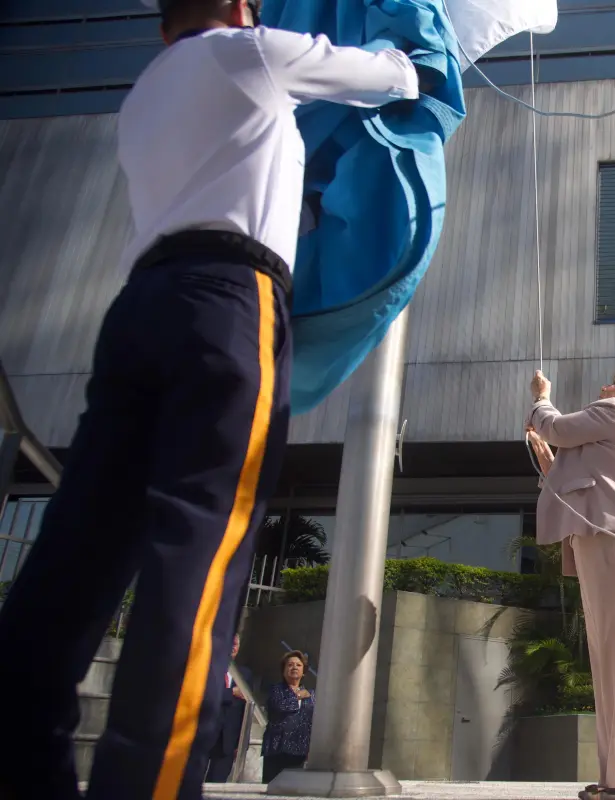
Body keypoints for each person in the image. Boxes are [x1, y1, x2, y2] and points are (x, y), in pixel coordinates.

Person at [0, 3, 422, 798]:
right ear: (237, 9)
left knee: (79, 546)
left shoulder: (144, 95)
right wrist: (411, 52)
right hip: (231, 301)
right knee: (199, 547)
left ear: (165, 25)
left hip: (138, 308)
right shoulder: (251, 52)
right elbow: (390, 76)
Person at [525, 367, 615, 800]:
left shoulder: (614, 412)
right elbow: (575, 474)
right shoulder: (614, 425)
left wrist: (540, 396)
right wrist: (547, 455)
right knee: (612, 652)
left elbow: (554, 425)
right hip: (613, 537)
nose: (606, 386)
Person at [262, 650, 316, 783]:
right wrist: (297, 696)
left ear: (303, 672)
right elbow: (280, 707)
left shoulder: (311, 694)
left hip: (300, 750)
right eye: (290, 665)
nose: (294, 668)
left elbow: (313, 720)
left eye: (298, 665)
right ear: (284, 670)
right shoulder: (275, 689)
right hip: (277, 749)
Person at [205, 633, 252, 782]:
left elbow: (245, 710)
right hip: (204, 735)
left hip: (227, 741)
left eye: (236, 644)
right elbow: (204, 694)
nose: (232, 647)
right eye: (229, 643)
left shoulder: (244, 674)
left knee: (217, 784)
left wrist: (240, 742)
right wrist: (231, 692)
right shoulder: (208, 669)